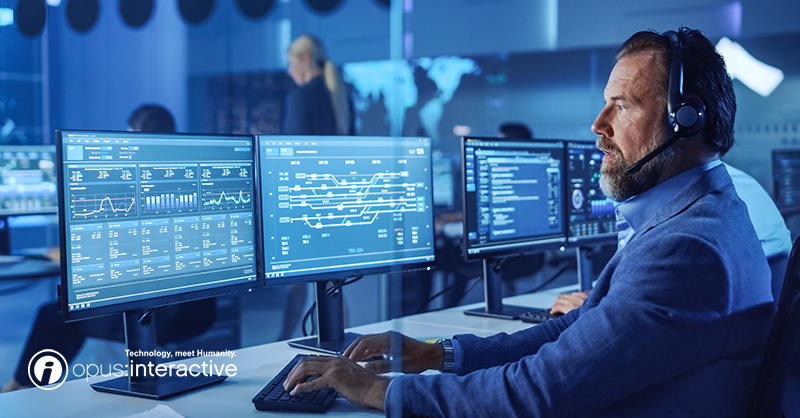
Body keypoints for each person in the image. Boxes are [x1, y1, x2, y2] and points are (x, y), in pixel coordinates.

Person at [282, 27, 776, 416]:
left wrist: (379, 392)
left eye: (622, 106)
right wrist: (437, 355)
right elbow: (575, 333)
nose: (598, 125)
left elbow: (537, 392)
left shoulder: (688, 246)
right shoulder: (697, 216)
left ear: (687, 120)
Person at [1, 104, 216, 393]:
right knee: (66, 312)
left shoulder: (145, 179)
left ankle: (18, 390)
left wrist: (72, 256)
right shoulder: (185, 174)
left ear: (139, 135)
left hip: (168, 310)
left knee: (57, 316)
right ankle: (29, 389)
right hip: (197, 308)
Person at [549, 162, 792, 315]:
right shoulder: (735, 183)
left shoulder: (690, 210)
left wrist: (593, 312)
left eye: (624, 107)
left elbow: (657, 313)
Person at [284, 34, 353, 136]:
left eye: (291, 63)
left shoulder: (299, 97)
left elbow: (296, 146)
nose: (290, 71)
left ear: (305, 60)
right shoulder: (342, 95)